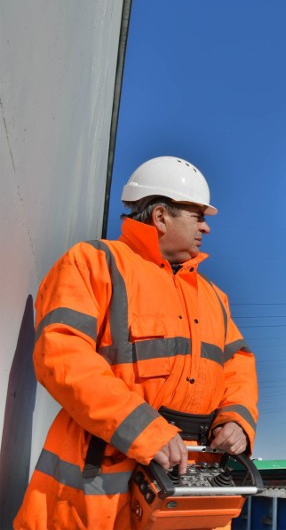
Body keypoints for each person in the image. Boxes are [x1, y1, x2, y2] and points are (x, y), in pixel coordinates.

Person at [14, 156, 259, 529]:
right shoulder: (94, 264)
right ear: (161, 216)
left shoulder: (214, 297)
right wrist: (142, 428)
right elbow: (61, 353)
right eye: (197, 216)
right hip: (95, 502)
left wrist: (238, 421)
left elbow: (237, 367)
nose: (206, 229)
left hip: (188, 502)